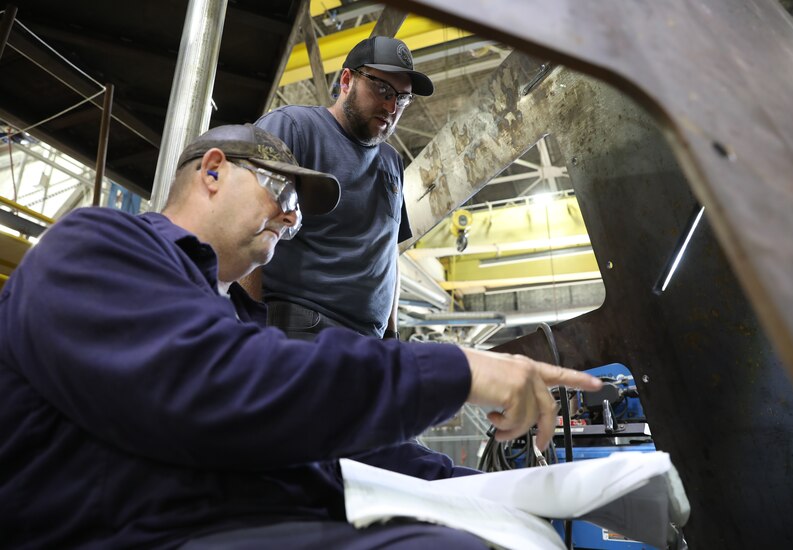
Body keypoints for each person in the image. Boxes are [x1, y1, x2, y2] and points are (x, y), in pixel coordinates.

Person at [0, 123, 601, 549]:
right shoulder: (97, 247)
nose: (292, 217)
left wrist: (507, 489)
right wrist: (457, 370)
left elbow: (352, 451)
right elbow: (226, 389)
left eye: (297, 208)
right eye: (281, 192)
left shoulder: (237, 321)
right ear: (213, 171)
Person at [251, 36, 433, 341]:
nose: (392, 106)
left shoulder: (391, 162)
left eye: (402, 98)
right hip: (300, 327)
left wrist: (391, 333)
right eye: (383, 89)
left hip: (369, 341)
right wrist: (248, 325)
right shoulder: (293, 128)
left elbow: (388, 252)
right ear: (347, 80)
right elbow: (248, 225)